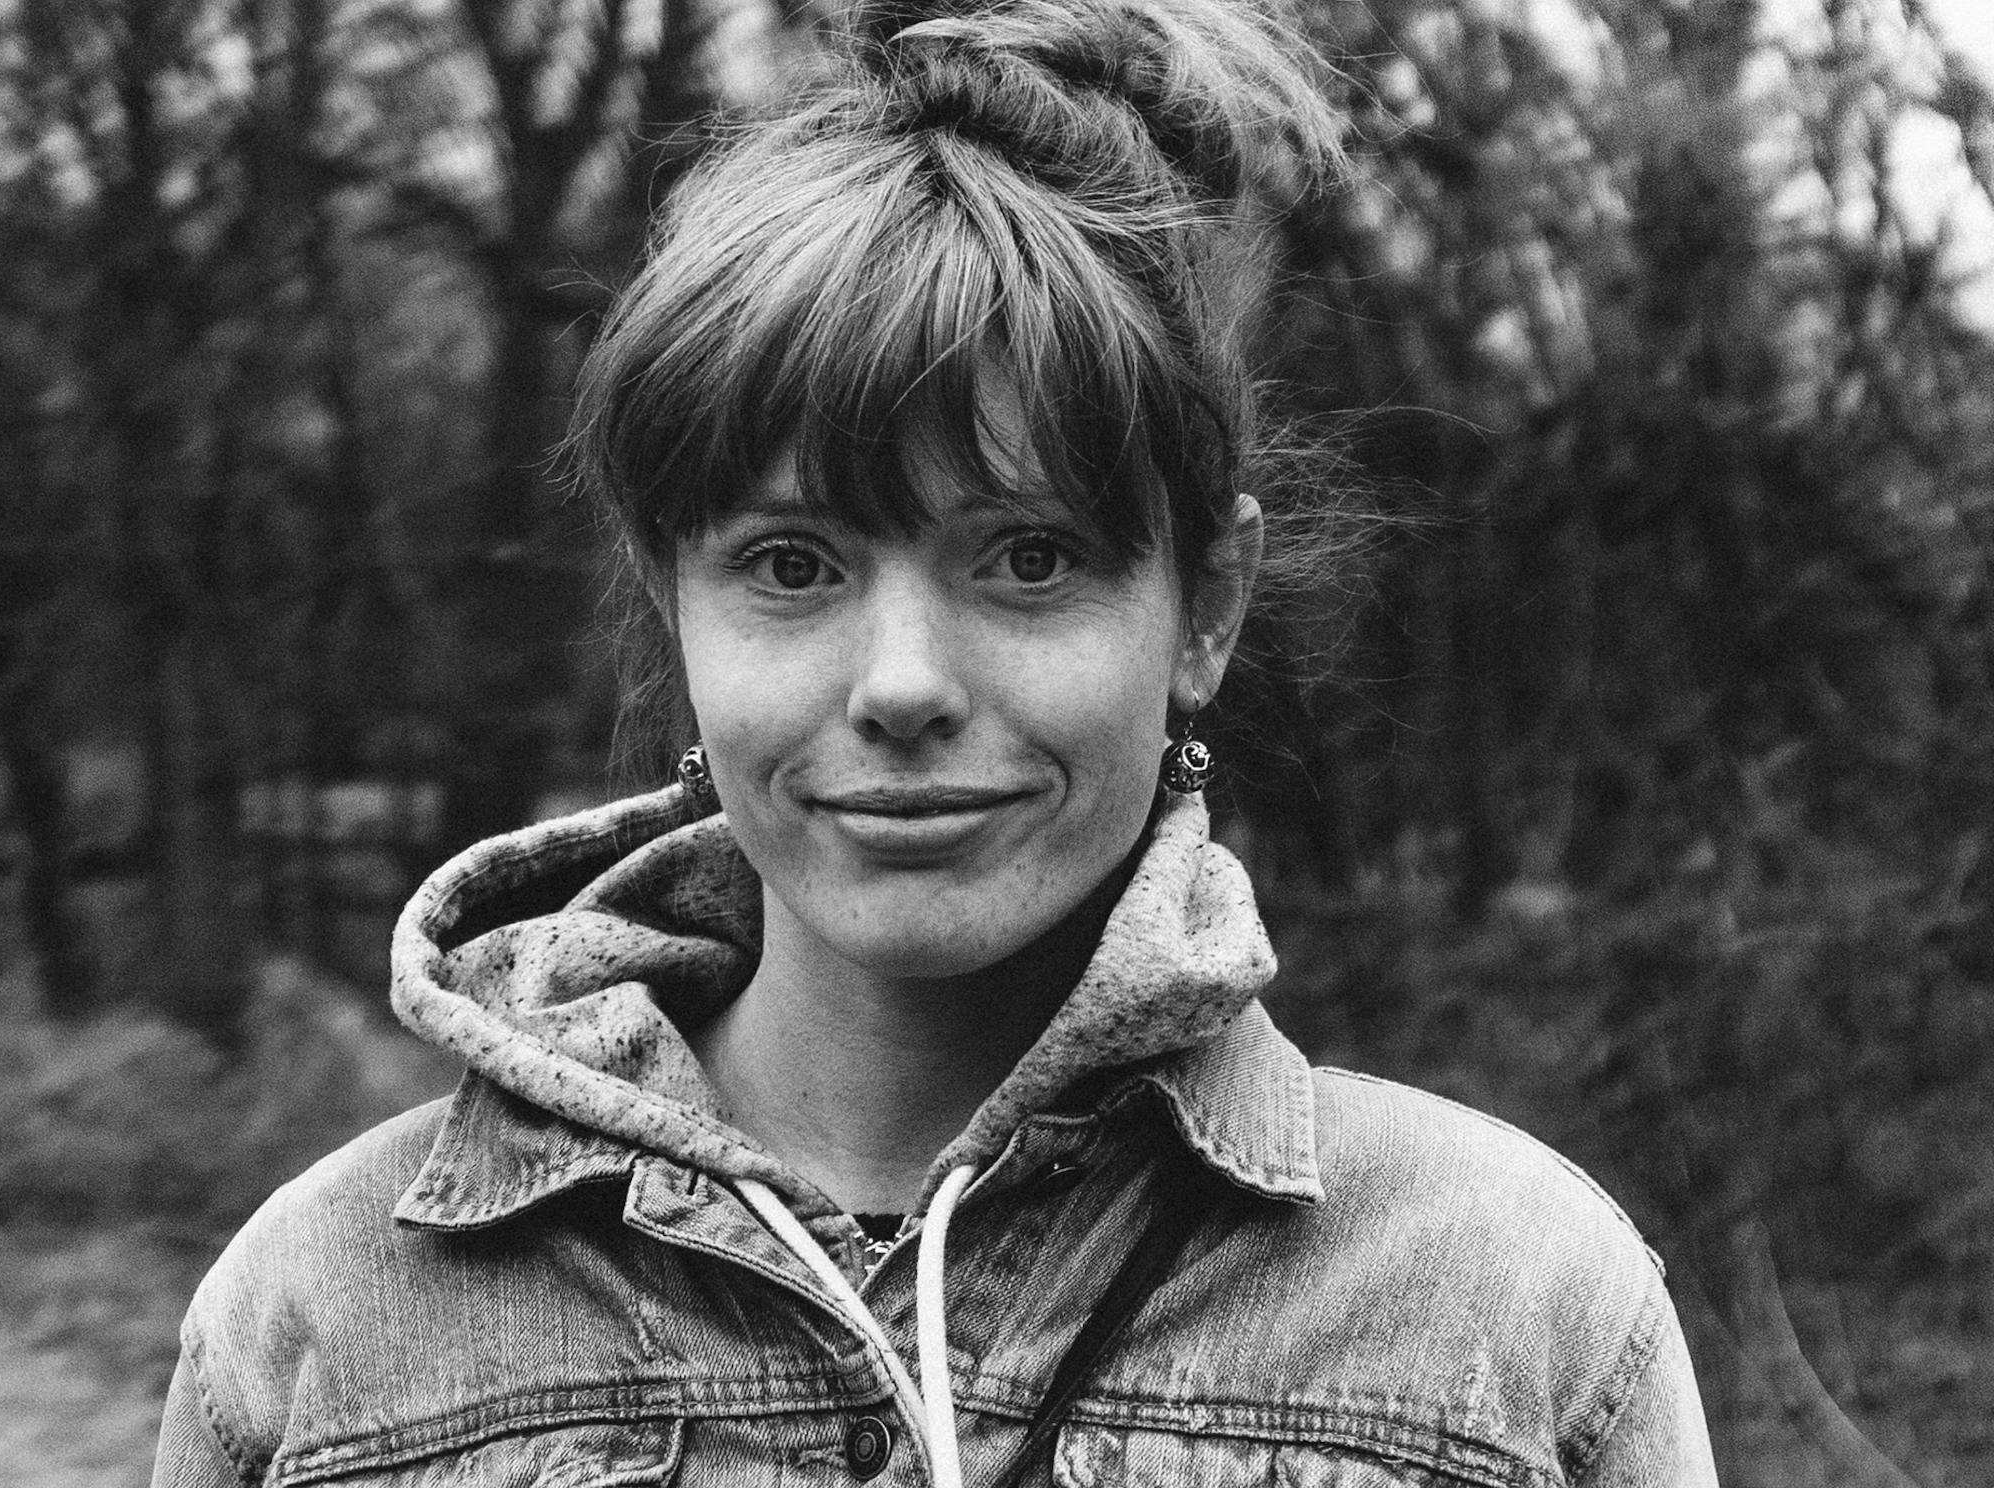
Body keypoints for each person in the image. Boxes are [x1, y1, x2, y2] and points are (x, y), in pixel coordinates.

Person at [152, 0, 1717, 1483]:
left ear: (1206, 611)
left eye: (1027, 556)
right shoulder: (328, 1318)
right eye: (793, 565)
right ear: (674, 607)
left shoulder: (1511, 1317)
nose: (902, 684)